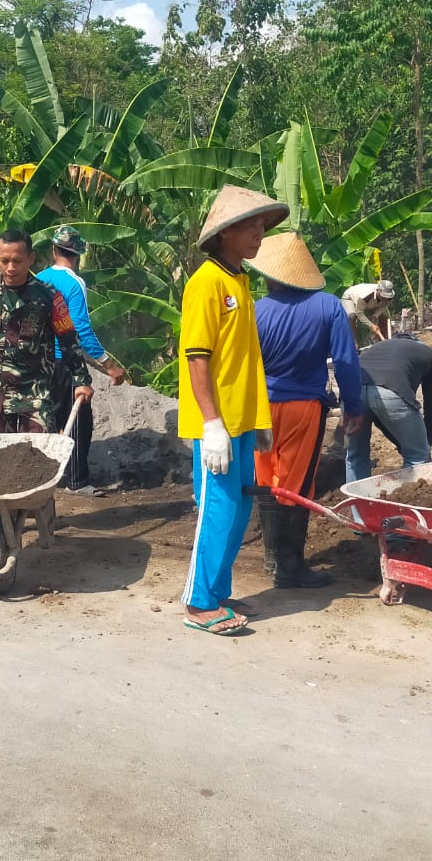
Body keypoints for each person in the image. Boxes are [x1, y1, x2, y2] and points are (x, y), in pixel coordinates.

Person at [178, 185, 285, 635]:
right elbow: (196, 356)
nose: (258, 234)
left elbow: (245, 361)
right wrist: (212, 423)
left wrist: (258, 421)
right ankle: (198, 602)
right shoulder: (206, 283)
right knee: (217, 508)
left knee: (239, 508)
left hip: (242, 419)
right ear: (223, 233)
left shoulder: (239, 282)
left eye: (261, 225)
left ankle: (217, 590)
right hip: (217, 423)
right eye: (248, 225)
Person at [247, 232, 363, 588]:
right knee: (295, 485)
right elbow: (345, 360)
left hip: (259, 409)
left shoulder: (256, 310)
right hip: (304, 408)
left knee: (266, 480)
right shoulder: (328, 306)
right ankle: (290, 567)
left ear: (270, 274)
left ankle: (271, 559)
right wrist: (352, 405)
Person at [0, 229, 94, 433]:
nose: (10, 268)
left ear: (31, 258)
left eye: (17, 261)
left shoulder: (49, 296)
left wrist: (81, 380)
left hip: (36, 392)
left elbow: (68, 340)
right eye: (4, 261)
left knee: (39, 457)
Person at [36, 224, 127, 496]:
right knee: (79, 420)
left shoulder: (38, 278)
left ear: (54, 250)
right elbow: (81, 331)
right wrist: (108, 364)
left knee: (46, 420)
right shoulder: (75, 283)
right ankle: (76, 481)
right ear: (78, 254)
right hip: (65, 361)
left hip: (39, 363)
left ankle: (42, 480)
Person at [344, 332, 432, 481]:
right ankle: (407, 503)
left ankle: (357, 504)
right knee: (417, 456)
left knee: (355, 456)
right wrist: (425, 443)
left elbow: (381, 418)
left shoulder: (377, 347)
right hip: (390, 390)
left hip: (351, 391)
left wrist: (403, 441)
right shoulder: (427, 353)